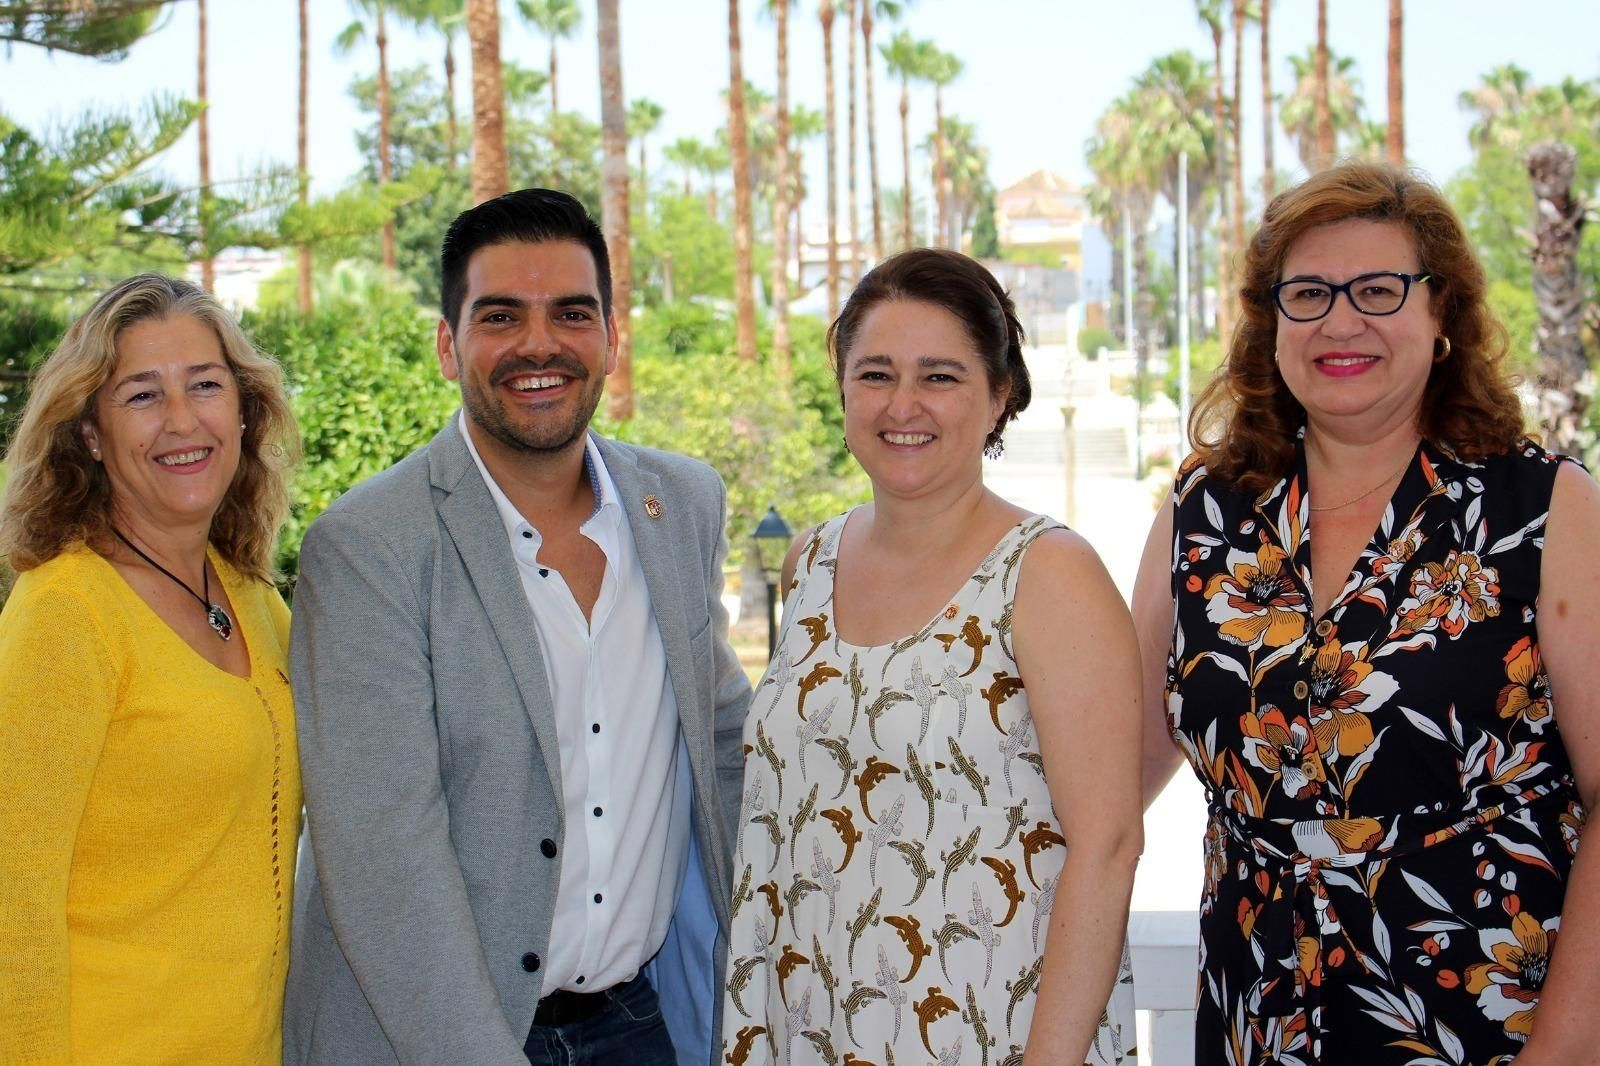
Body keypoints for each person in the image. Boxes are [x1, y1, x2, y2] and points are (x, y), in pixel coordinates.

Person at [1132, 161, 1600, 1065]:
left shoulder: (1542, 507)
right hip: (1256, 1012)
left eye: (1380, 290)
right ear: (1271, 326)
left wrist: (1566, 1051)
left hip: (1484, 1015)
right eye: (1307, 293)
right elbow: (1106, 770)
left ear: (1443, 317)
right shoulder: (1204, 514)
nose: (1341, 321)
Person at [283, 188, 752, 1066]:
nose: (539, 344)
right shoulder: (368, 547)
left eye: (571, 313)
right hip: (435, 1039)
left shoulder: (680, 503)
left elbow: (725, 742)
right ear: (446, 343)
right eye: (501, 315)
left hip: (640, 1027)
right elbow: (384, 856)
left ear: (613, 337)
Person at [719, 248, 1143, 1065]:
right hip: (810, 1024)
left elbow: (1110, 844)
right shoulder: (808, 563)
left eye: (940, 377)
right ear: (841, 387)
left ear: (999, 395)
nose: (902, 404)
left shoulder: (1048, 574)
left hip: (990, 1034)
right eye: (875, 373)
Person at [0, 274, 300, 1063]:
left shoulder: (252, 599)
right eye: (140, 395)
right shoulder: (65, 614)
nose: (181, 420)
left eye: (205, 385)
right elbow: (12, 903)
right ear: (90, 433)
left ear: (242, 410)